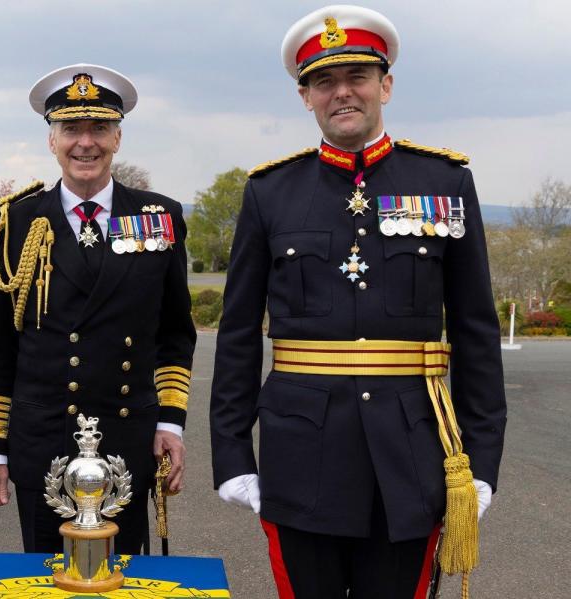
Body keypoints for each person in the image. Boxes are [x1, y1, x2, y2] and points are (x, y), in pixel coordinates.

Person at [209, 6, 507, 598]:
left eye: (358, 78)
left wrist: (481, 459)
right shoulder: (270, 192)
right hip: (300, 456)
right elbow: (238, 332)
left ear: (386, 85)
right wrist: (233, 453)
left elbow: (476, 330)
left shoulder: (445, 183)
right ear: (306, 97)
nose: (342, 92)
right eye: (324, 81)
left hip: (413, 457)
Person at [0, 64, 196, 554]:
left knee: (124, 577)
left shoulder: (158, 218)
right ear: (51, 141)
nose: (85, 143)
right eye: (70, 129)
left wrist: (169, 424)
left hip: (127, 437)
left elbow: (176, 334)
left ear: (118, 137)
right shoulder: (16, 221)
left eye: (99, 128)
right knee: (44, 579)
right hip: (43, 440)